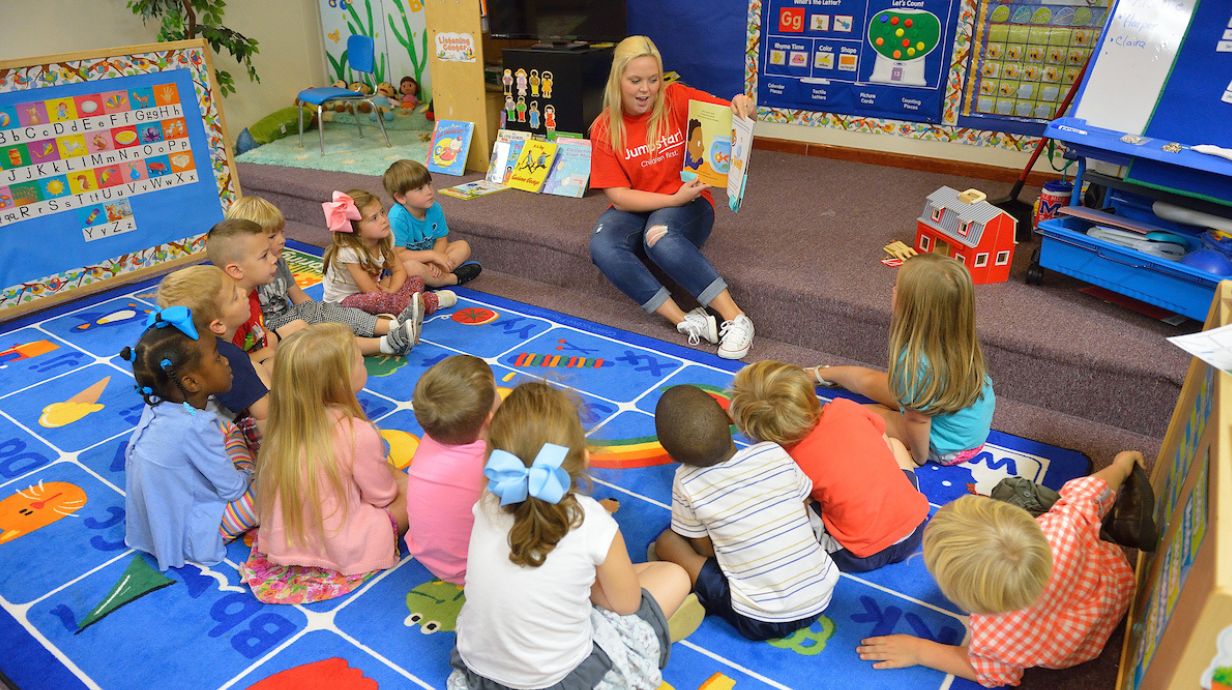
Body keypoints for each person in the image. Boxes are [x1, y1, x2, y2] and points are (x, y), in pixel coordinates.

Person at [449, 382, 703, 689]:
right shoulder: (593, 522)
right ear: (583, 458)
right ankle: (656, 634)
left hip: (483, 675)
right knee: (674, 576)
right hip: (562, 680)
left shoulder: (488, 501)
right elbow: (625, 605)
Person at [857, 451, 1142, 687]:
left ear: (964, 599)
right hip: (1117, 584)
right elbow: (1093, 490)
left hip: (1080, 650)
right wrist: (1122, 465)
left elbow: (989, 672)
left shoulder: (993, 634)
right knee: (1039, 496)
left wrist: (918, 651)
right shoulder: (1062, 526)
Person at [588, 35, 756, 360]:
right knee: (601, 244)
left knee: (659, 235)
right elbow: (620, 198)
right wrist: (671, 199)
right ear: (617, 80)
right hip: (644, 204)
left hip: (690, 204)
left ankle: (736, 318)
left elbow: (736, 118)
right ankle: (686, 321)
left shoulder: (677, 98)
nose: (645, 89)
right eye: (635, 80)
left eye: (653, 80)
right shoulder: (604, 127)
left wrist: (743, 104)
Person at [651, 385, 838, 640]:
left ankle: (703, 596)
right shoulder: (773, 452)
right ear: (729, 418)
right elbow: (803, 503)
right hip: (822, 591)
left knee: (667, 542)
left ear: (670, 455)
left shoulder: (686, 482)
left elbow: (706, 550)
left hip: (760, 619)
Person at [240, 324, 409, 605]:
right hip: (342, 545)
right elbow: (382, 496)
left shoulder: (283, 425)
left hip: (286, 539)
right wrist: (399, 482)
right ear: (341, 380)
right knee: (413, 490)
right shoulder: (356, 432)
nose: (363, 362)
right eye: (358, 359)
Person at [729, 361, 929, 572]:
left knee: (792, 502)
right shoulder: (845, 408)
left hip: (860, 555)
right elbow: (883, 443)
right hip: (914, 526)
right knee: (894, 444)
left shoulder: (782, 460)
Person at [810, 253, 996, 466]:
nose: (893, 290)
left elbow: (918, 420)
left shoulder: (914, 363)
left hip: (947, 444)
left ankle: (802, 413)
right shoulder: (959, 339)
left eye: (898, 288)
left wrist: (918, 456)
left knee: (848, 415)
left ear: (914, 308)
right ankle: (818, 373)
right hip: (959, 422)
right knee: (871, 381)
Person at [121, 307, 257, 570]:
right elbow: (233, 489)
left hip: (167, 522)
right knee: (276, 484)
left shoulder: (160, 406)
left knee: (229, 430)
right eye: (217, 358)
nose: (226, 361)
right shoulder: (194, 427)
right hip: (194, 534)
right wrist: (250, 470)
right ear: (192, 382)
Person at [225, 194, 429, 357]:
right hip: (270, 330)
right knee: (319, 336)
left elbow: (298, 297)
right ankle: (386, 344)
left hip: (291, 316)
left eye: (282, 233)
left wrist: (321, 313)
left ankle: (395, 325)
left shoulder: (278, 263)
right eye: (272, 237)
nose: (282, 240)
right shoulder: (242, 279)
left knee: (328, 314)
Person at [405, 355, 499, 585]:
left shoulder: (430, 437)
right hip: (475, 569)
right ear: (488, 419)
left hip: (428, 555)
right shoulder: (492, 462)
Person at [156, 265, 271, 431]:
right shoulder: (226, 357)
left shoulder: (183, 348)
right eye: (234, 296)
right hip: (214, 443)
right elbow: (265, 417)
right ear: (218, 325)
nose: (243, 293)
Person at [320, 189, 441, 321]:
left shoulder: (386, 236)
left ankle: (403, 308)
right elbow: (370, 291)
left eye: (382, 212)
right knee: (376, 299)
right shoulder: (349, 251)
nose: (384, 220)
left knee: (416, 279)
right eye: (374, 218)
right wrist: (387, 294)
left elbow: (399, 270)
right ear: (357, 231)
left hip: (376, 292)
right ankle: (423, 303)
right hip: (343, 303)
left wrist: (392, 290)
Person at [205, 218, 308, 368]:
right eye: (264, 255)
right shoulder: (229, 313)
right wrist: (267, 353)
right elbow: (229, 364)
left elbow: (259, 328)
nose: (274, 259)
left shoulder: (250, 293)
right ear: (236, 270)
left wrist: (270, 339)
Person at [382, 160, 482, 287]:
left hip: (431, 260)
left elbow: (441, 240)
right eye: (420, 189)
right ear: (401, 198)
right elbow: (399, 255)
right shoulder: (397, 217)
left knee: (463, 247)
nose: (429, 191)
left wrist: (434, 262)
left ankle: (431, 277)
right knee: (410, 268)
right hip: (406, 262)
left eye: (428, 185)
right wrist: (432, 256)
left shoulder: (435, 208)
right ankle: (451, 279)